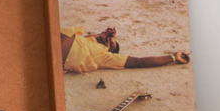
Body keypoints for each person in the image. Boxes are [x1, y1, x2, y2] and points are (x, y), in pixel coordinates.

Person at [60, 26, 190, 74]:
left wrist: (172, 57)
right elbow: (94, 36)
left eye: (110, 45)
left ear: (109, 51)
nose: (108, 42)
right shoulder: (89, 39)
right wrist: (106, 34)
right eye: (110, 41)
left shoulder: (105, 57)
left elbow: (140, 62)